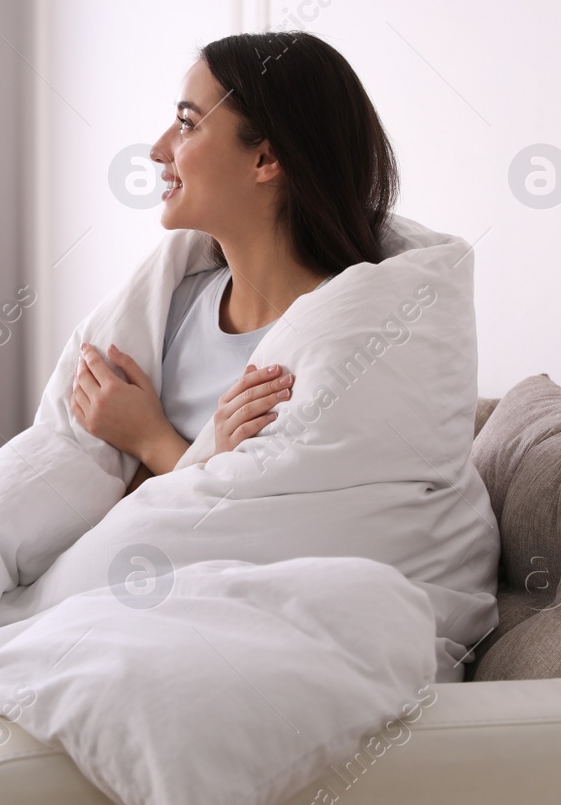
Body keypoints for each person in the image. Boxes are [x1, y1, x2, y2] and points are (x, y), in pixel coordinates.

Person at [69, 31, 398, 487]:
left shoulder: (346, 338)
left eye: (187, 123)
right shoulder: (173, 308)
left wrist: (152, 441)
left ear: (265, 157)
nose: (157, 149)